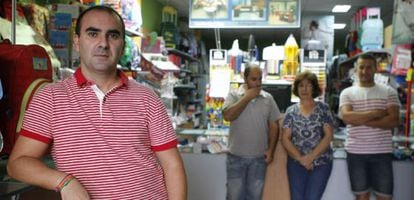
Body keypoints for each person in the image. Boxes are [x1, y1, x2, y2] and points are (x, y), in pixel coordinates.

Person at [7, 5, 187, 200]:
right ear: (77, 42)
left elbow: (172, 165)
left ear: (122, 45)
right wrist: (65, 182)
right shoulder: (50, 97)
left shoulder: (147, 98)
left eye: (113, 35)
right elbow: (18, 163)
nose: (103, 43)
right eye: (93, 34)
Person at [339, 54, 400, 200]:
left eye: (369, 67)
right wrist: (376, 113)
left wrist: (360, 119)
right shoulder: (347, 93)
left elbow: (393, 121)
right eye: (361, 67)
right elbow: (347, 117)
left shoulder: (388, 92)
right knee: (362, 196)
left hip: (382, 152)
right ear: (356, 69)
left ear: (375, 69)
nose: (365, 71)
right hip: (356, 153)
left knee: (385, 196)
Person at [222, 64, 281, 200]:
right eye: (254, 79)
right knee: (234, 196)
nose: (258, 83)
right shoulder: (234, 95)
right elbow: (228, 116)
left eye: (260, 79)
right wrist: (247, 97)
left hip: (259, 159)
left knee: (255, 196)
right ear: (245, 79)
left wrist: (271, 150)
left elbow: (274, 125)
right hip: (235, 157)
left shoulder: (268, 98)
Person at [281, 71, 335, 200]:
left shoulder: (323, 109)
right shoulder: (291, 111)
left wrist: (310, 158)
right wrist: (301, 159)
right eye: (301, 86)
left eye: (308, 85)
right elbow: (285, 138)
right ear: (296, 89)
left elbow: (328, 136)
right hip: (296, 163)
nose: (304, 89)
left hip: (320, 163)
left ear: (314, 88)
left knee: (313, 198)